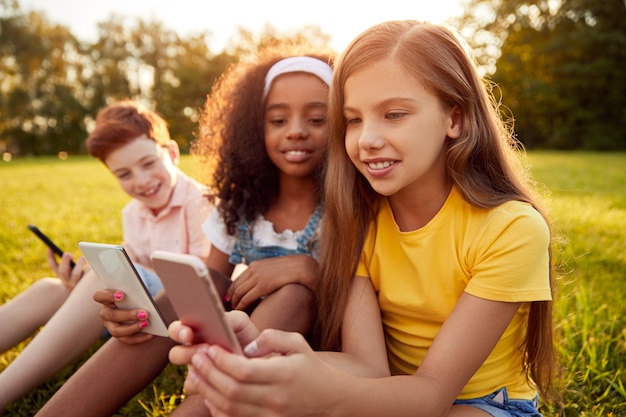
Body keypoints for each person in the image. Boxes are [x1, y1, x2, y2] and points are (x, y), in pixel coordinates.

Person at [167, 20, 558, 417]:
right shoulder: (359, 220)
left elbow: (432, 394)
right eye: (354, 119)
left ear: (453, 119)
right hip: (388, 393)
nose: (367, 139)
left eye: (394, 114)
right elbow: (366, 367)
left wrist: (320, 393)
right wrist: (262, 355)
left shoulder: (511, 229)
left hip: (486, 404)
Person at [35, 47, 334, 417]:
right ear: (256, 128)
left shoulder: (344, 209)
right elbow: (211, 279)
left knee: (292, 294)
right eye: (277, 120)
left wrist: (306, 269)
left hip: (309, 346)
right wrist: (140, 311)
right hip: (243, 332)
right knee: (183, 291)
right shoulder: (242, 204)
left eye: (317, 119)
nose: (296, 131)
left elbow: (364, 290)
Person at [0, 100, 212, 413]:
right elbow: (135, 271)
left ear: (171, 154)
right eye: (124, 174)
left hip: (189, 316)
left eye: (148, 163)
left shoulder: (203, 203)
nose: (140, 181)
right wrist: (85, 288)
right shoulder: (134, 212)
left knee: (103, 279)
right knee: (50, 288)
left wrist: (113, 282)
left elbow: (204, 285)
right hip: (145, 315)